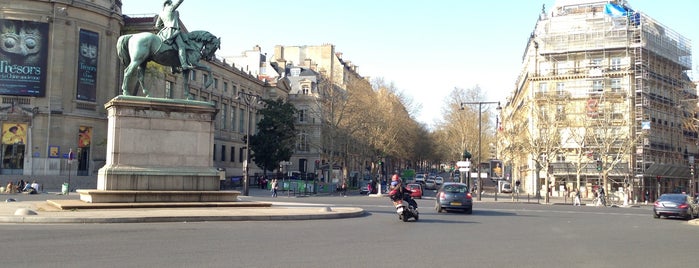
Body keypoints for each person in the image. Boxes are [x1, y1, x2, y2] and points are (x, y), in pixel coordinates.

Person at [155, 0, 193, 70]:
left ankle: (173, 66)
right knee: (181, 47)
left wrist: (164, 29)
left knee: (173, 47)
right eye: (171, 3)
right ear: (169, 4)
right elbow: (179, 2)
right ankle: (184, 64)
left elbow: (157, 26)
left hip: (164, 33)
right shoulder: (171, 8)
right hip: (173, 31)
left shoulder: (161, 13)